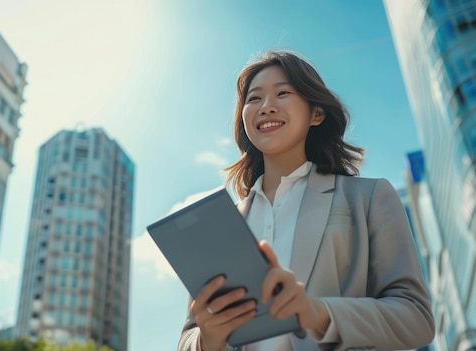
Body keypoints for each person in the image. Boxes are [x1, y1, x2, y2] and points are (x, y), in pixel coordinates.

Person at [177, 50, 434, 351]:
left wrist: (317, 313)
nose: (266, 106)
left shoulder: (369, 198)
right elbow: (188, 337)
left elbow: (415, 319)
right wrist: (207, 340)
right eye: (254, 98)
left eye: (283, 93)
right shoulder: (222, 227)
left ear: (317, 113)